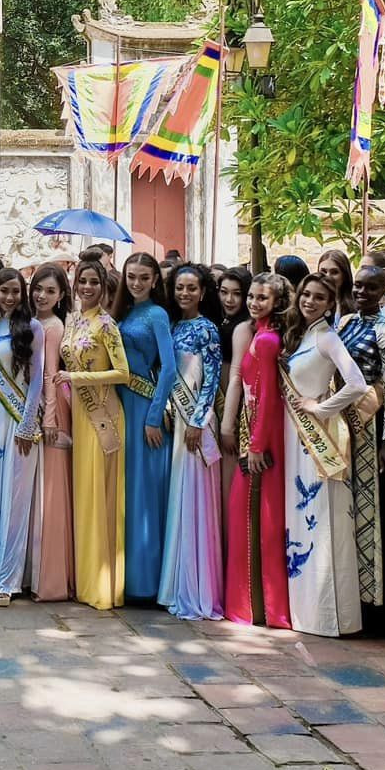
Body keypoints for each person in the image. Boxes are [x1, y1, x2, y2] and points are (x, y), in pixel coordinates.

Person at [282, 274, 367, 637]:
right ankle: (305, 608)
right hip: (293, 436)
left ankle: (328, 616)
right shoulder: (303, 335)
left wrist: (322, 408)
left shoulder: (329, 338)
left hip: (316, 439)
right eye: (306, 294)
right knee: (300, 520)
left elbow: (358, 383)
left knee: (321, 518)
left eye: (319, 297)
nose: (310, 301)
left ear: (331, 303)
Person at [337, 264, 385, 634]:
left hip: (372, 426)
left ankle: (377, 603)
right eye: (358, 286)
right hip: (344, 425)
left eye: (370, 288)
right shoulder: (346, 323)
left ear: (384, 292)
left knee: (374, 509)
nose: (362, 292)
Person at [222, 273, 292, 629]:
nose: (253, 302)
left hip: (261, 438)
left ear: (278, 301)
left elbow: (267, 398)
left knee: (254, 518)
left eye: (261, 298)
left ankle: (254, 606)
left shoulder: (266, 341)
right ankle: (252, 605)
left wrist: (255, 445)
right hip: (255, 430)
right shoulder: (255, 334)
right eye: (251, 296)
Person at [61, 260, 129, 610]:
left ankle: (103, 586)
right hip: (79, 417)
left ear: (104, 287)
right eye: (82, 281)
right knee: (84, 495)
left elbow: (122, 373)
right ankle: (84, 582)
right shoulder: (74, 321)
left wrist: (76, 380)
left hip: (103, 415)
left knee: (100, 498)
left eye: (93, 282)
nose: (87, 287)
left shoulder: (107, 325)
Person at [158, 264, 223, 621]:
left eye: (191, 288)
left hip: (194, 424)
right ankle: (175, 582)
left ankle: (195, 587)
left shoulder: (207, 329)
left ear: (202, 292)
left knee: (193, 499)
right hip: (175, 420)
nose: (185, 293)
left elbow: (212, 379)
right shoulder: (172, 325)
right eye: (180, 287)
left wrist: (198, 421)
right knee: (178, 499)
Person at [0, 266, 43, 607]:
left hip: (17, 423)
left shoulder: (33, 328)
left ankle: (7, 580)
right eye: (4, 291)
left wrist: (28, 425)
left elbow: (37, 381)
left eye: (16, 291)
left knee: (14, 500)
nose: (10, 297)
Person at [112, 251, 178, 604]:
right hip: (119, 403)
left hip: (143, 407)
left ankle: (145, 582)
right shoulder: (124, 312)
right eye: (131, 276)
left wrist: (154, 417)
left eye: (143, 277)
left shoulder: (157, 314)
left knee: (142, 495)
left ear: (155, 280)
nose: (136, 282)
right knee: (125, 491)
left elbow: (168, 368)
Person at [29, 263, 75, 602]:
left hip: (51, 407)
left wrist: (48, 417)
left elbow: (49, 373)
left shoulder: (54, 326)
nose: (42, 296)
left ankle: (52, 578)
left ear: (61, 296)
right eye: (38, 288)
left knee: (51, 489)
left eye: (50, 291)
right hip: (39, 405)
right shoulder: (34, 322)